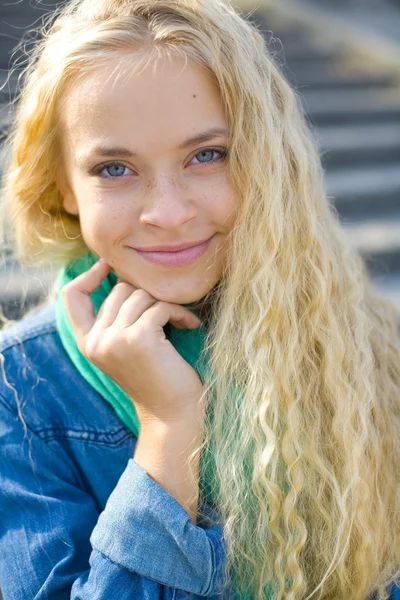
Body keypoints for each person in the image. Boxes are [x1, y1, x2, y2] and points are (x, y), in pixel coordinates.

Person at [0, 0, 399, 598]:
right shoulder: (19, 390)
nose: (169, 212)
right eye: (114, 168)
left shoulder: (368, 341)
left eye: (206, 155)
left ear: (266, 160)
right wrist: (167, 428)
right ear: (65, 186)